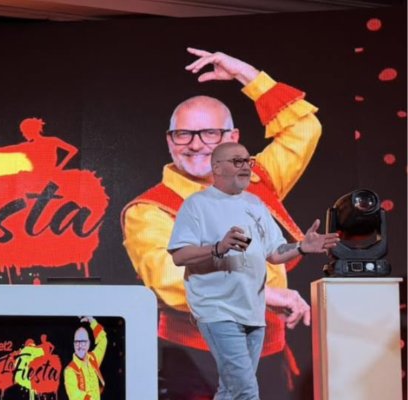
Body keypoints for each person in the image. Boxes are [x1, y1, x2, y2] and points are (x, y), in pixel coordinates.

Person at [121, 48, 322, 398]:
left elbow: (304, 128)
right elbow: (171, 278)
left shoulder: (256, 179)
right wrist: (262, 294)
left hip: (268, 356)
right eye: (183, 134)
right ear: (169, 141)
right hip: (195, 361)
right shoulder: (150, 210)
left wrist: (246, 75)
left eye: (210, 133)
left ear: (232, 138)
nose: (196, 145)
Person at [167, 142, 338, 399]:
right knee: (246, 390)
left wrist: (302, 247)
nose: (246, 167)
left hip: (253, 313)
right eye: (237, 161)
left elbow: (275, 253)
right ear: (217, 168)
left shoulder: (256, 204)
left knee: (231, 390)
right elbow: (179, 255)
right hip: (218, 310)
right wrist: (218, 247)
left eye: (248, 161)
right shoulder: (197, 205)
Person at [64, 316, 106, 400]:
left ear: (88, 344)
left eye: (83, 341)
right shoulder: (70, 370)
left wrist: (92, 321)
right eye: (77, 342)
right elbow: (74, 394)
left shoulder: (93, 358)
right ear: (74, 344)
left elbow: (103, 341)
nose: (79, 346)